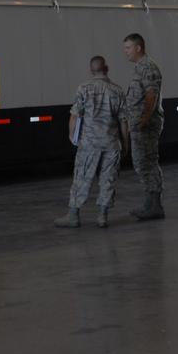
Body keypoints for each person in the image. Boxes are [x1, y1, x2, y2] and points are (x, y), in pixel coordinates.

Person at [55, 56, 129, 229]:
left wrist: (72, 136)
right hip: (111, 143)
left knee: (81, 177)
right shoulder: (117, 91)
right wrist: (126, 143)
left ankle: (73, 215)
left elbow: (74, 116)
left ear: (91, 70)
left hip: (89, 144)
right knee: (108, 179)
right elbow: (124, 121)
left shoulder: (84, 88)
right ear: (107, 68)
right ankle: (102, 216)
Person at [122, 33, 165, 221]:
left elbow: (150, 96)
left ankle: (154, 206)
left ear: (138, 48)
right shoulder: (140, 68)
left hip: (145, 125)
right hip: (140, 123)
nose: (126, 52)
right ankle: (150, 203)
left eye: (128, 48)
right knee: (143, 162)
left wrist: (145, 119)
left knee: (146, 162)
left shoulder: (148, 67)